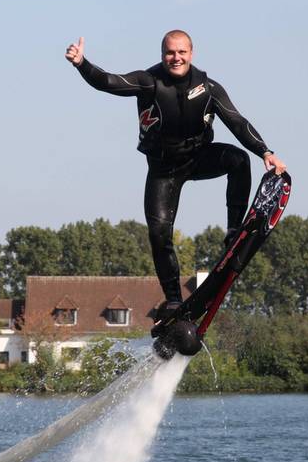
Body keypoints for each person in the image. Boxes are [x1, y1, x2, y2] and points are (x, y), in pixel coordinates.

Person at [65, 30, 287, 315]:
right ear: (162, 55)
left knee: (239, 160)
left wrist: (265, 152)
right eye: (170, 52)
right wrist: (82, 63)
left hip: (198, 158)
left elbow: (237, 122)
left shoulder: (208, 88)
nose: (176, 58)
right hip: (163, 170)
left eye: (182, 52)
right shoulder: (149, 82)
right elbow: (109, 82)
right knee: (159, 234)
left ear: (191, 54)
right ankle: (173, 299)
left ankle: (234, 231)